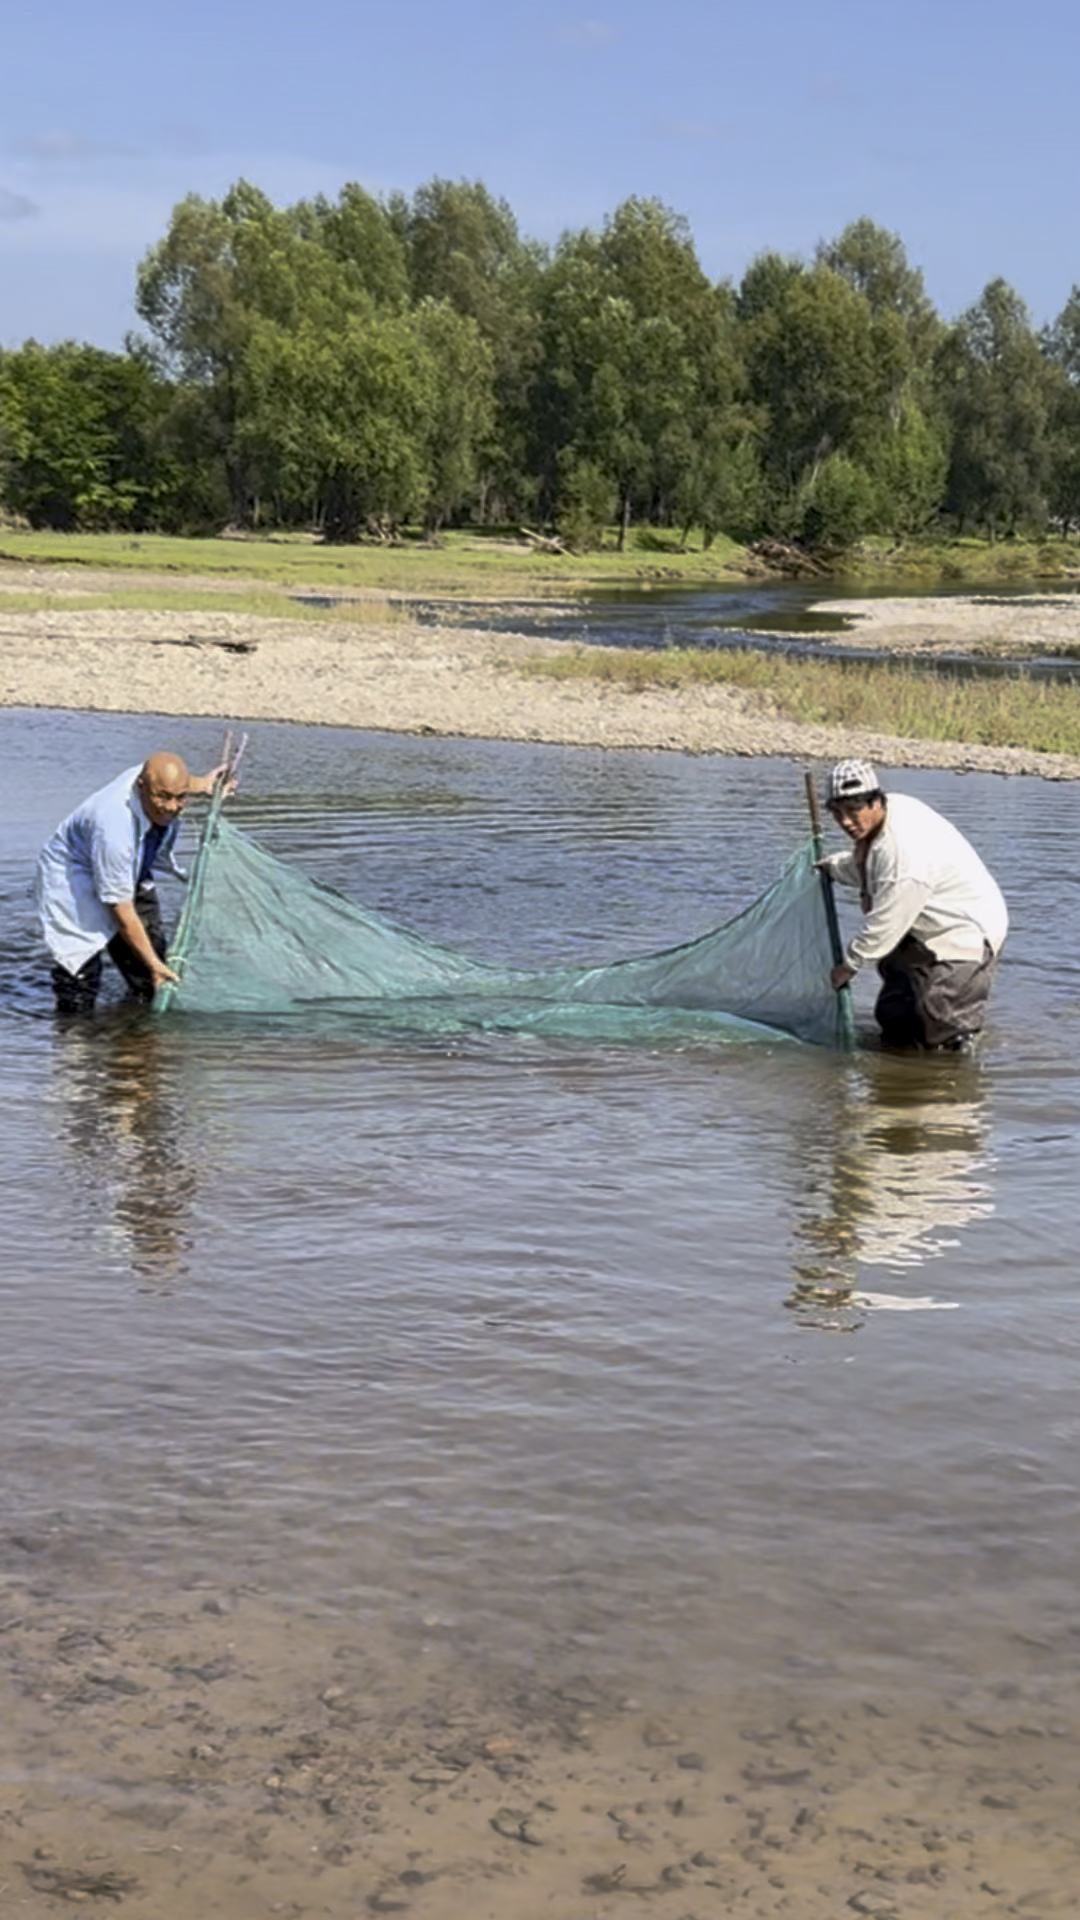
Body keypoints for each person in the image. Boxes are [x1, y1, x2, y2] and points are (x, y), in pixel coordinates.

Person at [818, 758, 1008, 1050]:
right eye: (838, 812)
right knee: (896, 1017)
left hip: (962, 932)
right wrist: (832, 868)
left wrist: (848, 966)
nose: (846, 821)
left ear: (876, 802)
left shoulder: (902, 851)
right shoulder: (889, 814)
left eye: (854, 810)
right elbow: (871, 869)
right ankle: (899, 1068)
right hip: (920, 925)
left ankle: (955, 1071)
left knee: (943, 1022)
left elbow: (886, 922)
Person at [35, 751, 226, 1015]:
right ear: (141, 786)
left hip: (128, 867)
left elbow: (175, 782)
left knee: (152, 974)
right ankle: (75, 1033)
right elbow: (121, 909)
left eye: (180, 797)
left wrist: (203, 784)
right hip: (73, 880)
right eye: (163, 797)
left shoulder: (155, 780)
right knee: (79, 974)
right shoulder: (114, 826)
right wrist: (153, 965)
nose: (172, 807)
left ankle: (135, 1028)